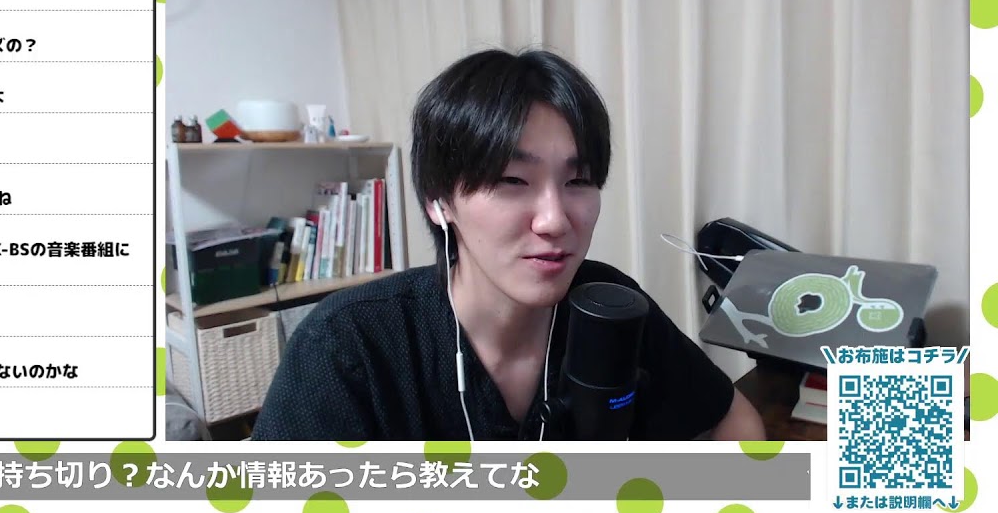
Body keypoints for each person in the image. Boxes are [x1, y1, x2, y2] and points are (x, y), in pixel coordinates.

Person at [252, 48, 765, 441]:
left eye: (579, 180)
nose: (554, 220)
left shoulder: (609, 306)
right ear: (439, 202)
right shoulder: (348, 347)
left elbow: (735, 423)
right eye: (512, 181)